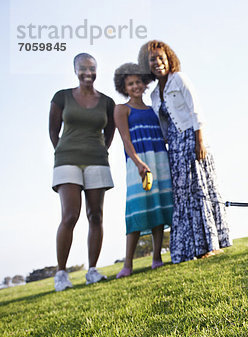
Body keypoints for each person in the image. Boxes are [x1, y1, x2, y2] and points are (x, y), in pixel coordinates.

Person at [138, 40, 231, 263]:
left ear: (169, 59)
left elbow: (195, 109)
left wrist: (200, 141)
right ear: (147, 64)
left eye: (161, 58)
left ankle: (210, 244)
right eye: (153, 60)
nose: (158, 63)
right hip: (175, 147)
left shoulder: (179, 79)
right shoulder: (153, 95)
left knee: (199, 189)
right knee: (182, 195)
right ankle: (191, 248)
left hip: (192, 137)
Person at [49, 53, 115, 291]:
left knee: (96, 215)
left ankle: (92, 271)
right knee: (70, 215)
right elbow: (53, 130)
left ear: (97, 70)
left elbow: (110, 133)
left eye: (92, 68)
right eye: (83, 68)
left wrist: (100, 152)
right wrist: (64, 152)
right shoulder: (62, 97)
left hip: (97, 160)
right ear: (75, 70)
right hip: (67, 160)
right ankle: (61, 274)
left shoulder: (107, 102)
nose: (88, 73)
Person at [112, 63, 174, 278]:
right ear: (124, 87)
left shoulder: (152, 109)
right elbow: (126, 141)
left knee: (158, 209)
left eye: (138, 82)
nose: (136, 86)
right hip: (138, 163)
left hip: (160, 161)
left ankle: (157, 258)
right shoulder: (122, 109)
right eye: (130, 84)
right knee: (136, 212)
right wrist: (138, 163)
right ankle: (127, 264)